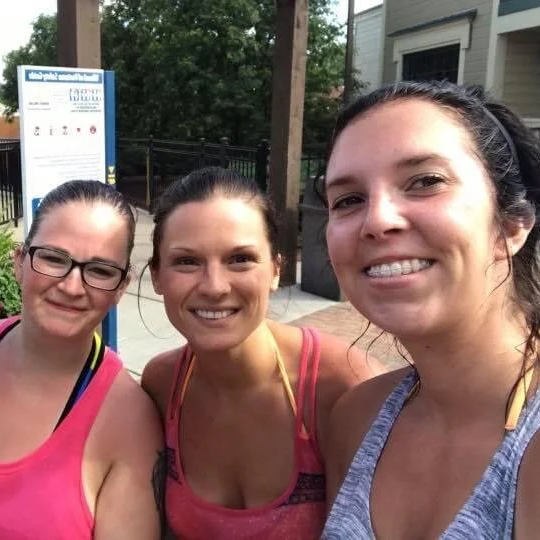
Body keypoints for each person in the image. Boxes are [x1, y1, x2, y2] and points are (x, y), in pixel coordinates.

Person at [321, 81, 540, 538]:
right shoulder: (356, 419)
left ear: (513, 223)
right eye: (348, 200)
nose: (377, 220)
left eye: (425, 182)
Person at [140, 167, 377, 539]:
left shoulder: (345, 387)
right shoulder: (162, 384)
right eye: (187, 261)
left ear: (276, 270)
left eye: (240, 259)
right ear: (157, 276)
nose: (214, 287)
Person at [0, 180, 163, 539]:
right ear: (19, 261)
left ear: (121, 287)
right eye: (53, 258)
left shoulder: (130, 421)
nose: (71, 286)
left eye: (100, 270)